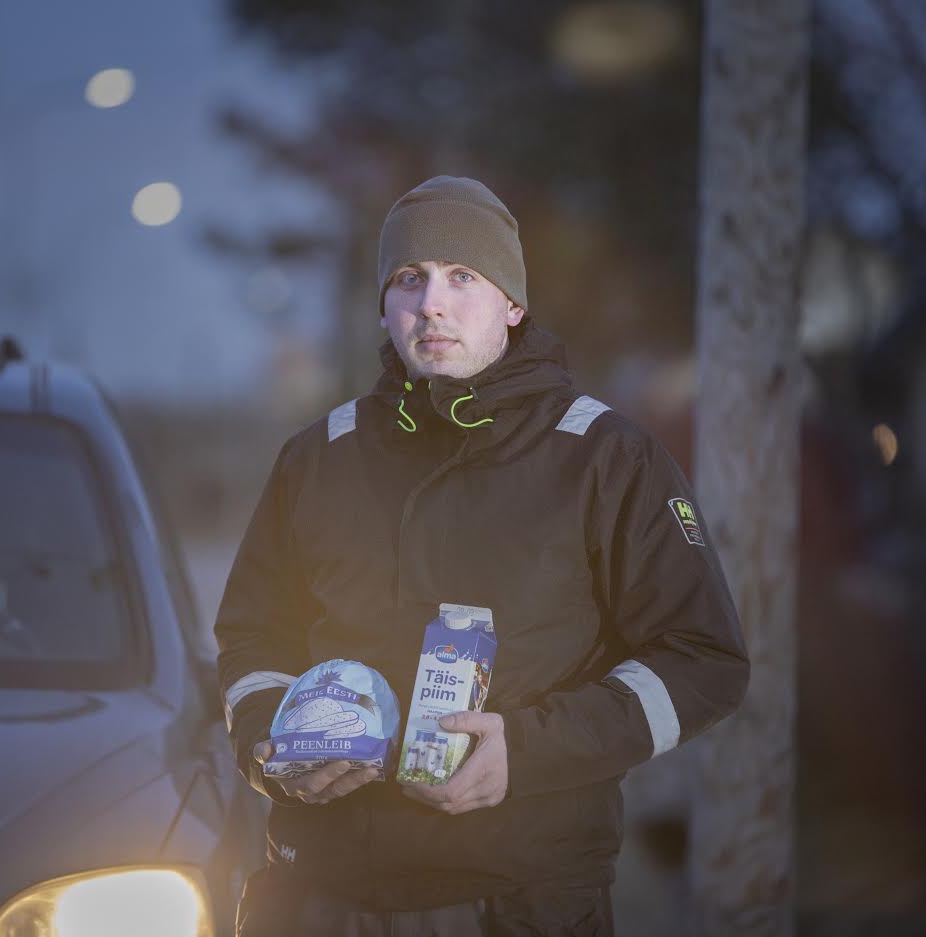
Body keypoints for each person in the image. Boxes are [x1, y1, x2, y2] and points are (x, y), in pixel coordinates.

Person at [215, 176, 749, 936]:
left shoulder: (604, 458)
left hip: (520, 900)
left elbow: (703, 660)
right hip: (320, 897)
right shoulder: (317, 458)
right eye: (409, 278)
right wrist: (273, 741)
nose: (432, 302)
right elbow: (251, 637)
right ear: (385, 304)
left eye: (463, 275)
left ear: (513, 303)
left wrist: (526, 751)